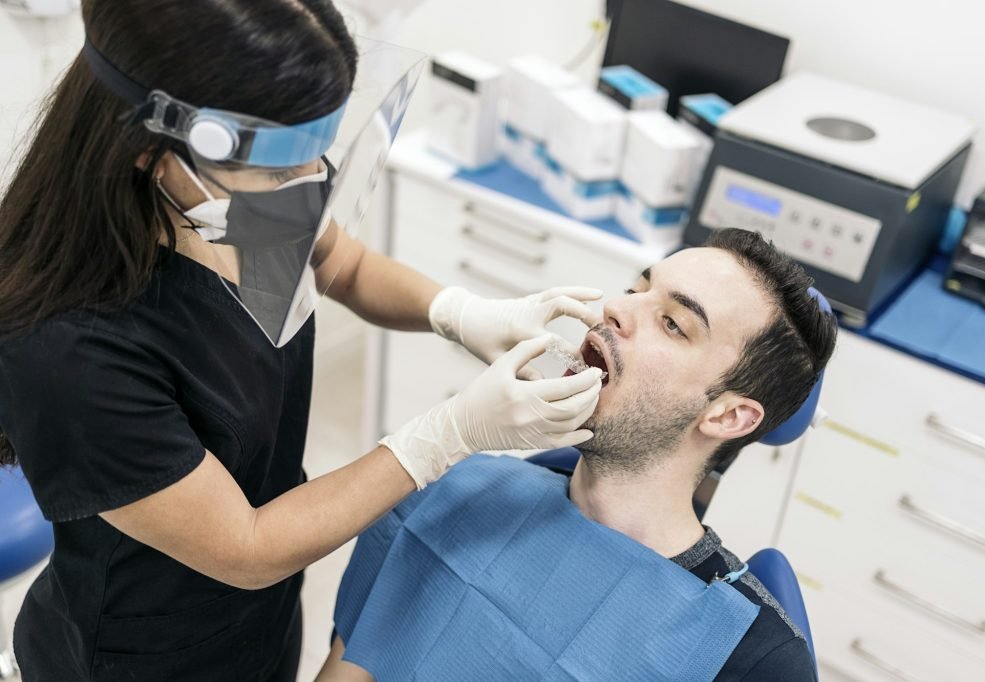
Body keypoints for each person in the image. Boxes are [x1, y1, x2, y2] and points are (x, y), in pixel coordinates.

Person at [0, 2, 605, 680]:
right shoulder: (67, 350)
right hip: (143, 650)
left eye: (315, 157)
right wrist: (449, 433)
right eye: (282, 172)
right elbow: (247, 547)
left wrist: (459, 311)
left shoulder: (240, 202)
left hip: (259, 615)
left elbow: (341, 263)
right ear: (150, 153)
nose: (306, 191)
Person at [319, 228, 838, 681]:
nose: (616, 308)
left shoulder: (748, 656)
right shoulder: (455, 492)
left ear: (727, 417)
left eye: (673, 323)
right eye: (637, 289)